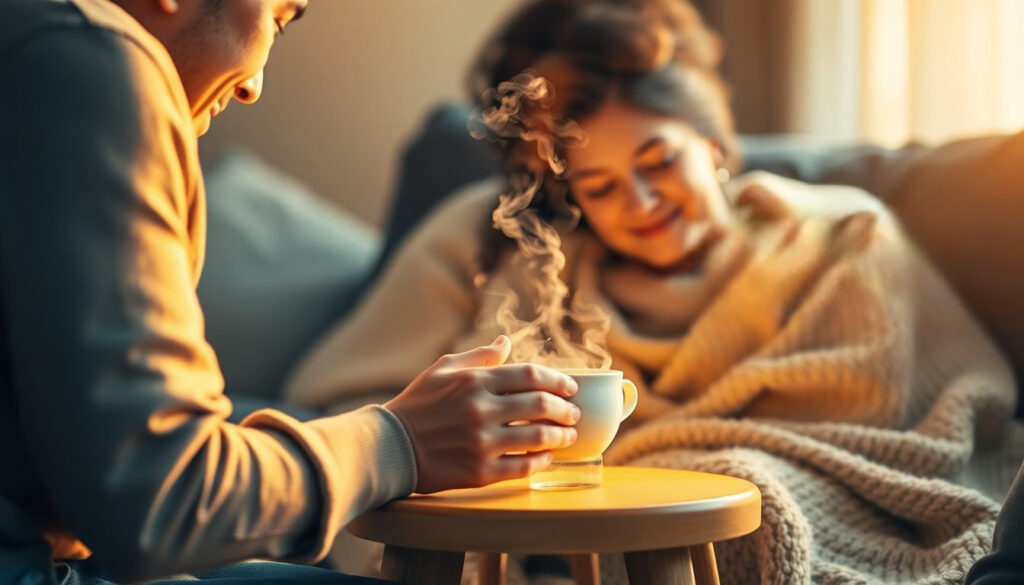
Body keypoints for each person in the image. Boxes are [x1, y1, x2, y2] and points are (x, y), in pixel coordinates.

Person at [284, 1, 1021, 583]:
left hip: (822, 492)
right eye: (601, 186)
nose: (639, 201)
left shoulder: (843, 236)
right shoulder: (545, 267)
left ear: (712, 143)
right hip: (599, 530)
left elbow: (922, 412)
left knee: (738, 491)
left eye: (659, 160)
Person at [0, 1, 586, 584]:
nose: (254, 86)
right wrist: (399, 442)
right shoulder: (88, 62)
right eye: (279, 17)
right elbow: (165, 502)